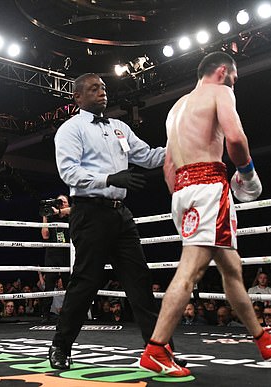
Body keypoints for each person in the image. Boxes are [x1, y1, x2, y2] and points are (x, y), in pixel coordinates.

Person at [140, 52, 271, 377]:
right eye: (234, 79)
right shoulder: (220, 91)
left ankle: (263, 339)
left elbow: (169, 165)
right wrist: (248, 174)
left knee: (231, 267)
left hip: (182, 189)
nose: (234, 85)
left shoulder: (176, 108)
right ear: (222, 72)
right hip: (208, 186)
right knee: (191, 271)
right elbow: (235, 137)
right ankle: (155, 349)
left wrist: (186, 195)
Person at [50, 72, 168, 370]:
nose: (101, 92)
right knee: (86, 282)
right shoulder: (70, 129)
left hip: (120, 214)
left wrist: (186, 145)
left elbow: (150, 157)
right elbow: (69, 172)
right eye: (93, 89)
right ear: (78, 97)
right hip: (89, 213)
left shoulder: (119, 128)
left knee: (139, 281)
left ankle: (157, 350)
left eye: (103, 88)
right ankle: (61, 346)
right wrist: (109, 178)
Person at [40, 194, 71, 322]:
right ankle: (46, 314)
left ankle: (70, 313)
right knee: (49, 286)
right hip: (52, 255)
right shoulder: (52, 219)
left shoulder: (71, 217)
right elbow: (45, 236)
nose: (61, 203)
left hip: (66, 256)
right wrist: (45, 216)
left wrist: (59, 211)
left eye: (64, 201)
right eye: (59, 202)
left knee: (69, 285)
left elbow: (74, 209)